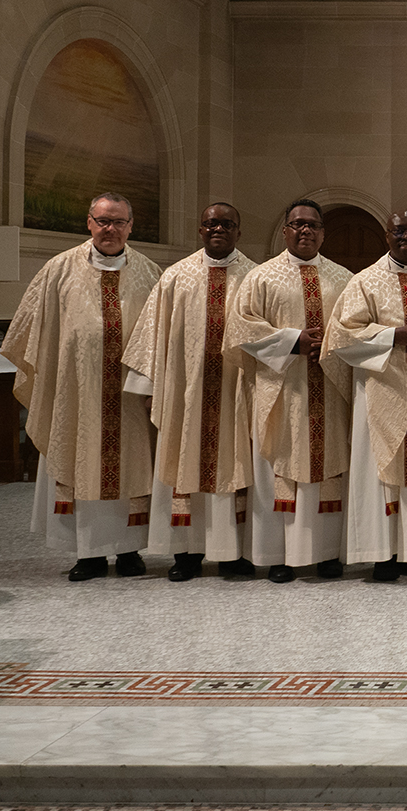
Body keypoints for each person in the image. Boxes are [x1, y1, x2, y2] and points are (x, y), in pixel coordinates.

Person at [1, 193, 162, 581]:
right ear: (89, 223)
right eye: (103, 221)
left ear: (131, 226)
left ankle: (129, 552)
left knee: (132, 467)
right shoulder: (58, 270)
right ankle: (88, 554)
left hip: (130, 397)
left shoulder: (150, 273)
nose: (110, 229)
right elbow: (30, 330)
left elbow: (162, 334)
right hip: (76, 393)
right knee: (80, 461)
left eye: (118, 222)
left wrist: (154, 385)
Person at [123, 203, 257, 582]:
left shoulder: (255, 277)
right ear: (200, 230)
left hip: (236, 395)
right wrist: (151, 388)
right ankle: (186, 553)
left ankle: (233, 554)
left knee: (236, 467)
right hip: (186, 396)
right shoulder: (175, 277)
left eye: (227, 224)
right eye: (211, 223)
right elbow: (153, 336)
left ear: (239, 231)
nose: (218, 229)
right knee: (184, 464)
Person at [226, 200, 354, 583]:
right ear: (285, 231)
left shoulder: (344, 279)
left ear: (323, 233)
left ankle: (328, 554)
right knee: (278, 470)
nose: (305, 230)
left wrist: (332, 343)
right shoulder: (261, 278)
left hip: (329, 391)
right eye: (297, 224)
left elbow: (357, 328)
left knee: (331, 470)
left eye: (313, 225)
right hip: (281, 391)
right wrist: (293, 341)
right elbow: (241, 328)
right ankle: (279, 555)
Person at [325, 210, 407, 582]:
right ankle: (382, 554)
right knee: (379, 471)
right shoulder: (364, 282)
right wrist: (392, 336)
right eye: (399, 231)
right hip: (380, 393)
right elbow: (342, 336)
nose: (405, 238)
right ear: (387, 235)